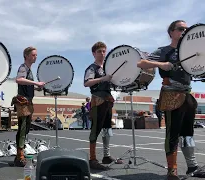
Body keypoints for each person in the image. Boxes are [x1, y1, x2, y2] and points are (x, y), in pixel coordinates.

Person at [137, 20, 205, 179]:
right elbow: (141, 62)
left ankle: (192, 166)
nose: (185, 31)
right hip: (170, 94)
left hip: (187, 94)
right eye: (181, 29)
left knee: (188, 133)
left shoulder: (190, 50)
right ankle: (172, 169)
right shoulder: (164, 51)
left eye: (186, 29)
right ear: (171, 32)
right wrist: (161, 64)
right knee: (172, 133)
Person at [83, 41, 123, 170]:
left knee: (107, 128)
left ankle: (106, 155)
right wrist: (102, 79)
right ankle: (93, 159)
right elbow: (87, 83)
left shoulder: (107, 68)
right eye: (99, 51)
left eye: (104, 51)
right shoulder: (92, 68)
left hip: (107, 100)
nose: (102, 53)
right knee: (96, 129)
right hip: (98, 100)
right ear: (94, 53)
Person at [11, 46, 45, 167]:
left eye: (36, 55)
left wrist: (36, 87)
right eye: (33, 55)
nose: (35, 57)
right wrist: (36, 83)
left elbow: (26, 84)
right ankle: (19, 156)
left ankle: (20, 154)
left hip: (28, 102)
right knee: (23, 128)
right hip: (23, 103)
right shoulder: (23, 68)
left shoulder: (29, 71)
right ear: (26, 56)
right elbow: (19, 80)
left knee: (26, 128)